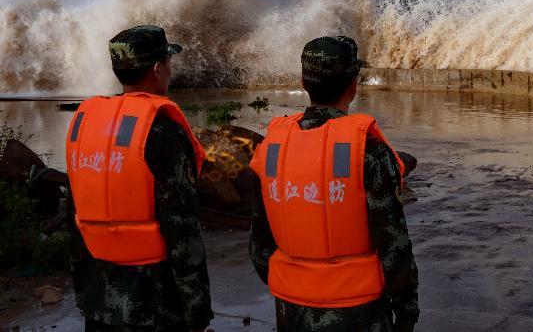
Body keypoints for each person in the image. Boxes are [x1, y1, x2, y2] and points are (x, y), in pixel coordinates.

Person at [249, 36, 419, 331]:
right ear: (353, 83)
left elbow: (259, 243)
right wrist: (406, 309)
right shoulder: (368, 150)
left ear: (304, 81)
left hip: (291, 307)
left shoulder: (271, 148)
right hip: (357, 310)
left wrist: (291, 282)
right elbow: (393, 244)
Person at [66, 25, 213, 332]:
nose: (170, 72)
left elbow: (74, 215)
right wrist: (197, 308)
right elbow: (182, 229)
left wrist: (84, 291)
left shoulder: (84, 126)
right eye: (168, 65)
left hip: (99, 300)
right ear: (158, 69)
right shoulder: (163, 132)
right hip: (155, 305)